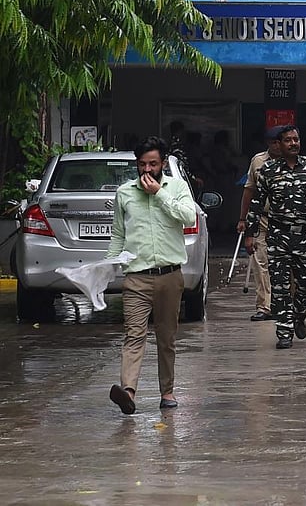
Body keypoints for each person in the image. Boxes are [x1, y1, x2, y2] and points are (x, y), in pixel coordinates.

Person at [107, 136, 196, 414]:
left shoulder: (177, 187)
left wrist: (159, 193)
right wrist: (108, 266)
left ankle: (167, 391)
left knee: (166, 337)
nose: (147, 170)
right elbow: (118, 234)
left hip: (170, 275)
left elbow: (188, 217)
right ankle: (128, 393)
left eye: (153, 164)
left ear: (163, 164)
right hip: (136, 277)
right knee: (133, 336)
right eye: (142, 164)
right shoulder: (125, 193)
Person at [244, 125, 306, 349]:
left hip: (305, 237)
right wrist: (250, 234)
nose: (294, 143)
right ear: (278, 144)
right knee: (280, 287)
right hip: (278, 237)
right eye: (288, 140)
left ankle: (299, 314)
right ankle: (284, 331)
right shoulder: (268, 170)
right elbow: (256, 205)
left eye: (296, 139)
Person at [236, 126, 282, 322]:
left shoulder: (299, 163)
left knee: (286, 264)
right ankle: (265, 306)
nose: (278, 146)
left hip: (287, 221)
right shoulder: (258, 161)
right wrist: (243, 219)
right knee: (260, 261)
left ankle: (285, 304)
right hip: (262, 218)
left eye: (280, 142)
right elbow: (249, 190)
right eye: (273, 143)